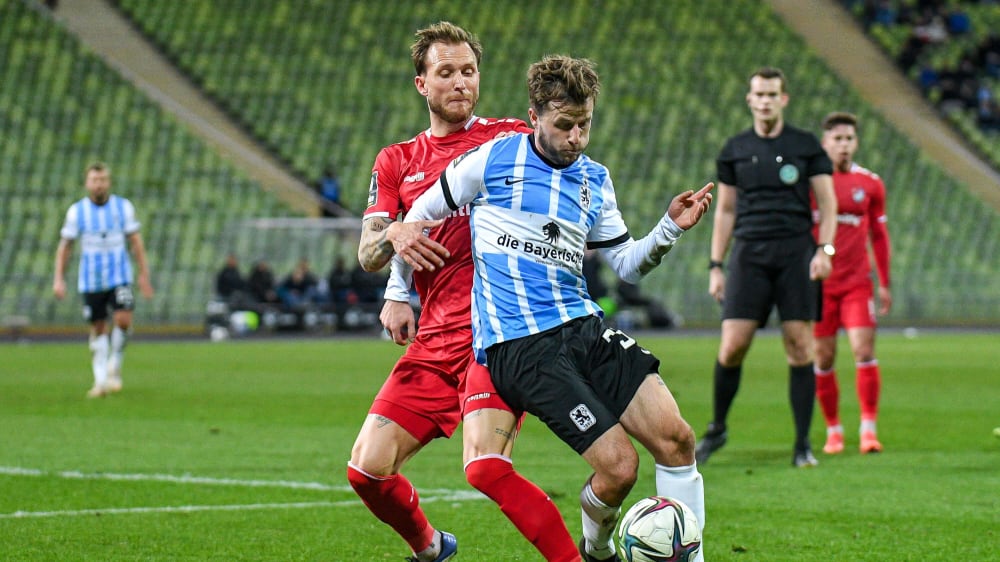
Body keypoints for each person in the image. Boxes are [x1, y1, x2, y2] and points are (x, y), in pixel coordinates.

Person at [393, 55, 712, 562]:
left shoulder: (594, 179)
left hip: (582, 327)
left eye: (585, 124)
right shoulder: (492, 160)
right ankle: (600, 549)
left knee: (676, 439)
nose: (577, 138)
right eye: (564, 125)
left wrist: (669, 229)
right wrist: (396, 291)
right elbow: (416, 221)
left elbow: (626, 264)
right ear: (534, 115)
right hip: (521, 346)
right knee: (620, 467)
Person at [347, 22, 578, 562]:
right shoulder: (396, 161)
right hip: (434, 338)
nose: (459, 83)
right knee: (367, 469)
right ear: (420, 84)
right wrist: (396, 258)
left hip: (496, 333)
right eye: (445, 72)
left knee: (486, 468)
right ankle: (430, 548)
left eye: (468, 71)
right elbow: (366, 250)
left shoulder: (508, 140)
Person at [695, 67, 837, 468]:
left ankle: (802, 444)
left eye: (772, 94)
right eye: (759, 94)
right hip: (749, 254)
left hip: (796, 253)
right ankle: (717, 428)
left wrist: (824, 250)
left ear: (783, 99)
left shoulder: (806, 145)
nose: (765, 101)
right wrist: (716, 265)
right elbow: (724, 210)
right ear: (749, 99)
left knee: (799, 346)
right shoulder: (735, 148)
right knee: (733, 345)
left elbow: (827, 204)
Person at [813, 111, 892, 455]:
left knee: (863, 350)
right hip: (820, 284)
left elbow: (880, 235)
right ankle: (834, 431)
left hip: (858, 283)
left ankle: (868, 430)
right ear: (825, 143)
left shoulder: (870, 183)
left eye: (849, 139)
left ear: (855, 142)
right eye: (837, 139)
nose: (844, 145)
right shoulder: (813, 184)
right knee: (824, 357)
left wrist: (885, 283)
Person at [52, 162, 154, 398]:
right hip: (91, 279)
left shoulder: (123, 207)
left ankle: (114, 365)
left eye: (103, 180)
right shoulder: (77, 212)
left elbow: (136, 242)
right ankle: (100, 382)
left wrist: (143, 274)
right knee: (98, 327)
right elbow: (66, 246)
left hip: (120, 275)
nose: (99, 184)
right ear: (87, 183)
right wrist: (59, 278)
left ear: (109, 182)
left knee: (123, 319)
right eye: (95, 180)